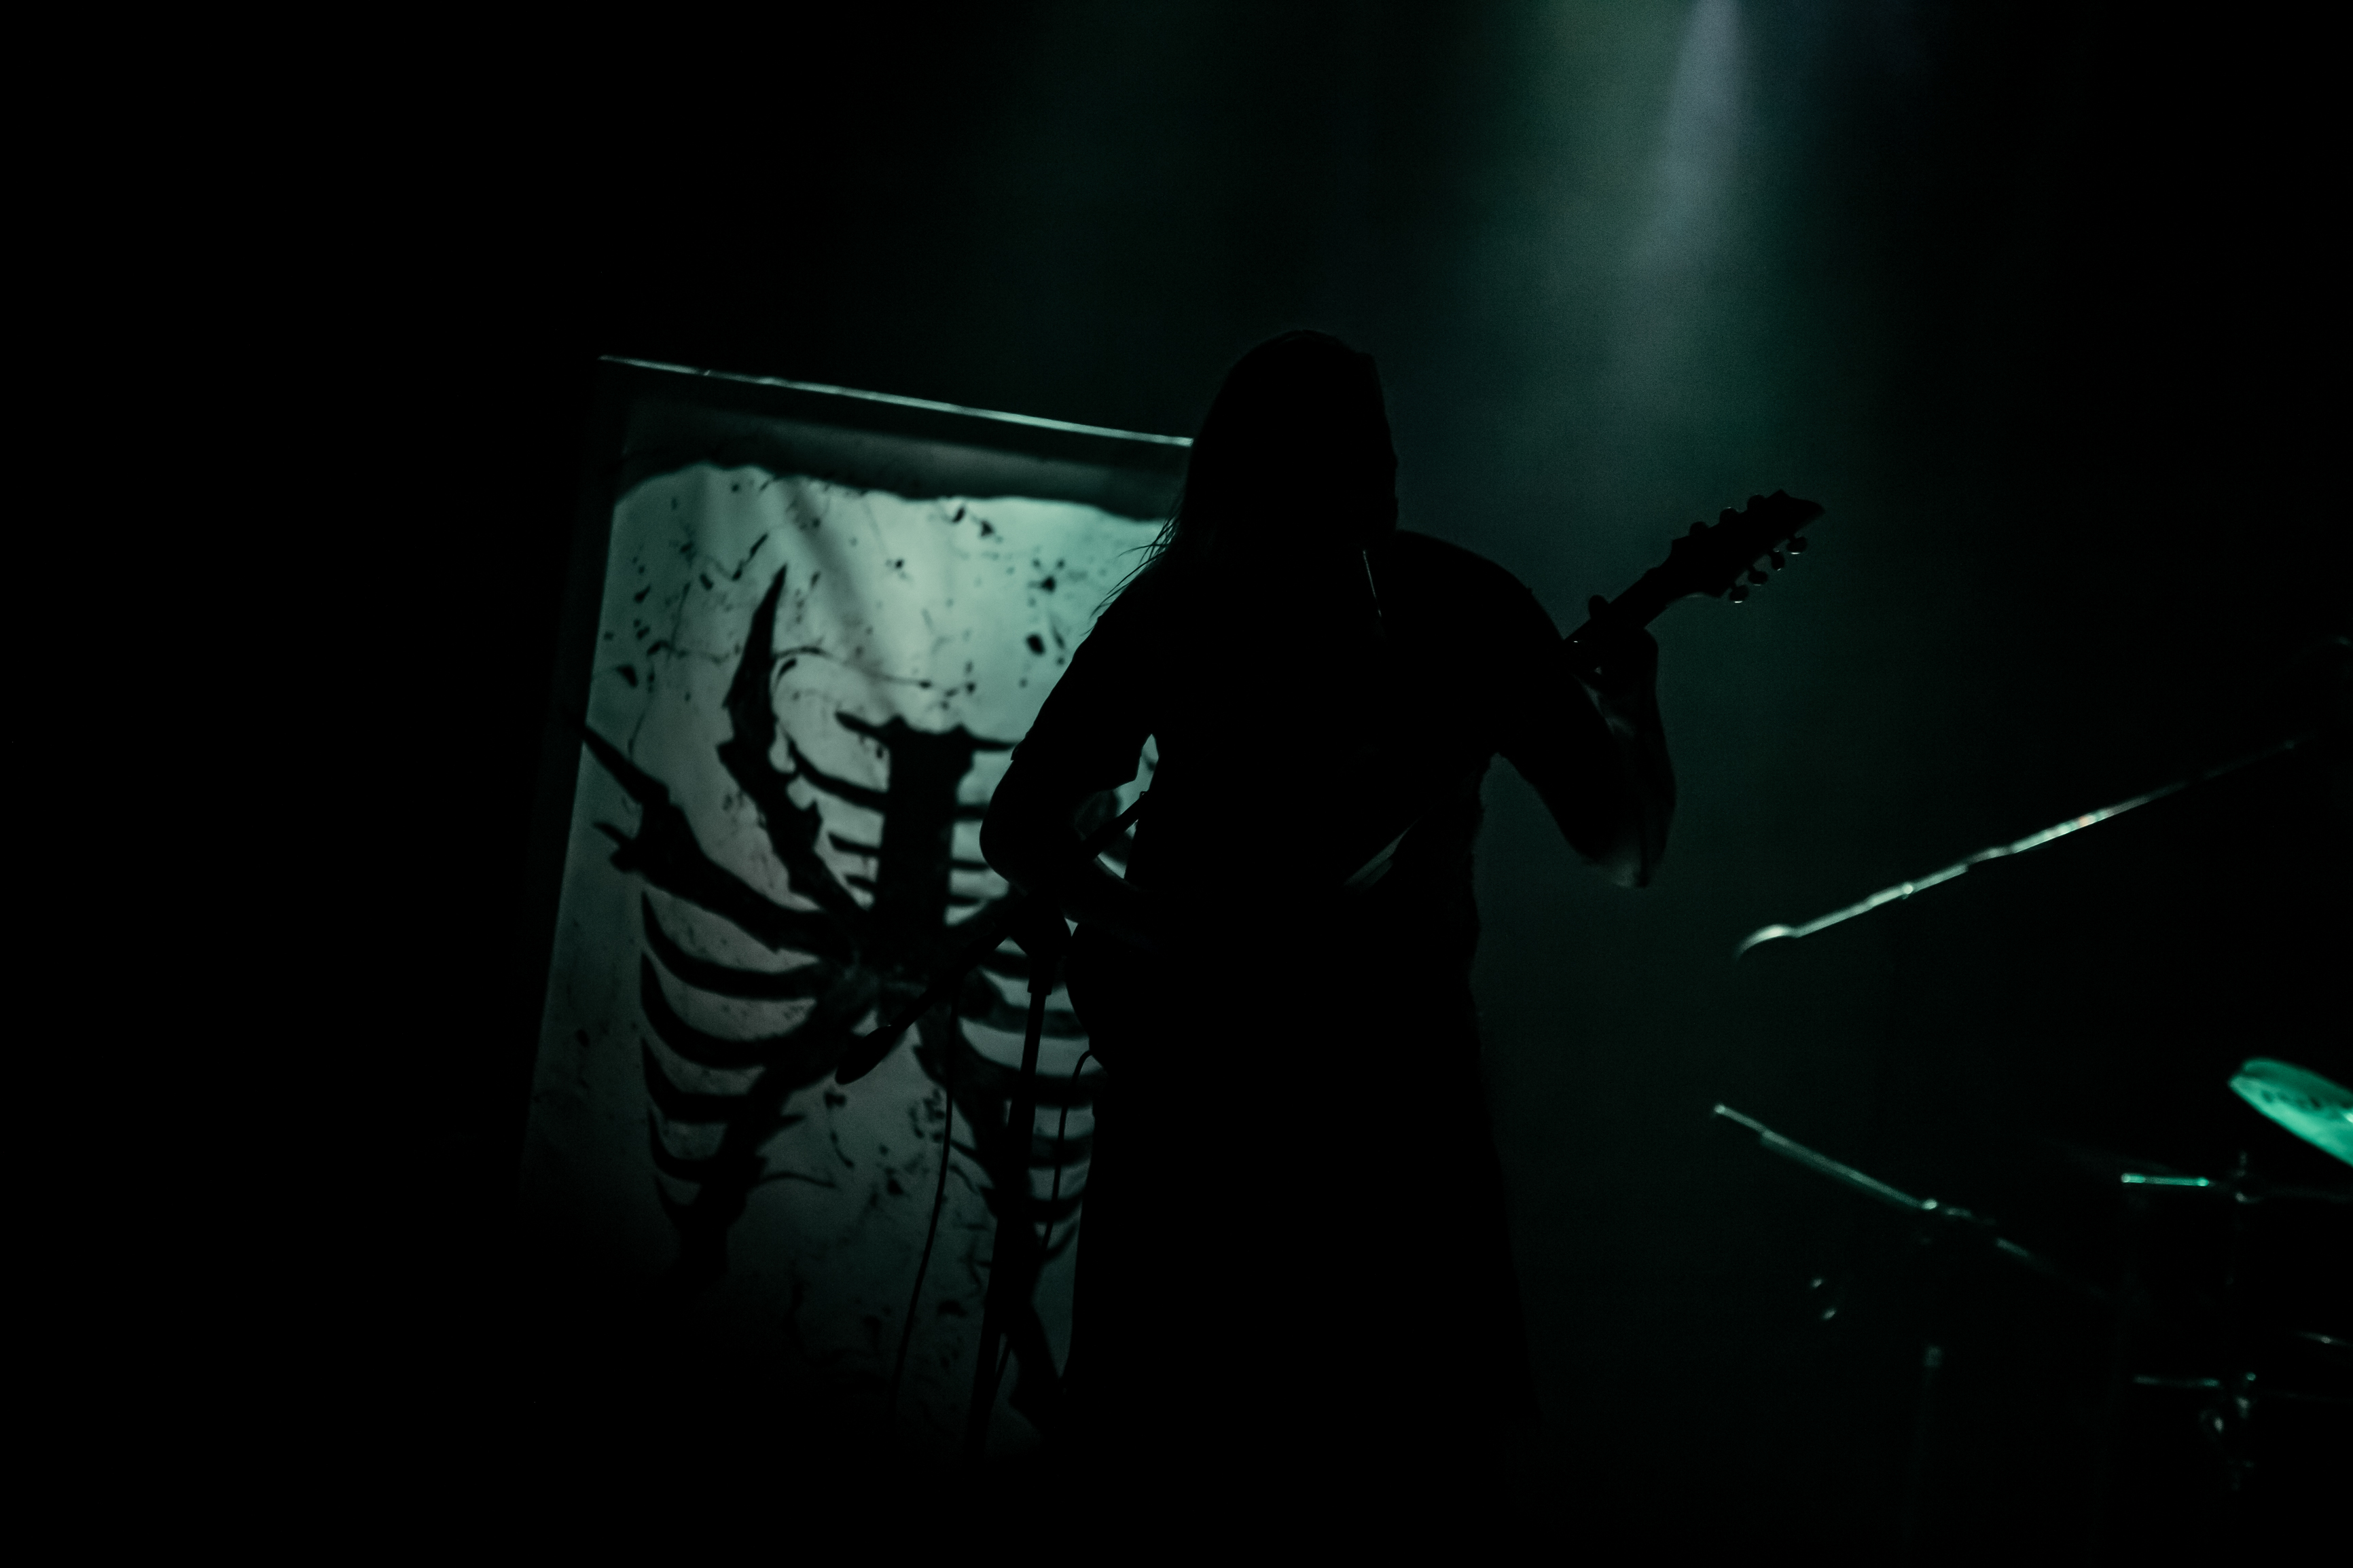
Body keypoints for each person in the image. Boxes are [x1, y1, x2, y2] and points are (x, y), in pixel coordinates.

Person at [981, 331, 1673, 1514]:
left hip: (1369, 1120)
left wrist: (1626, 708)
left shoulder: (1446, 606)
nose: (1381, 475)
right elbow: (1023, 825)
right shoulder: (1194, 608)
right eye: (1353, 451)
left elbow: (1620, 848)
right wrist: (1167, 936)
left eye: (1380, 448)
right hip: (1241, 1119)